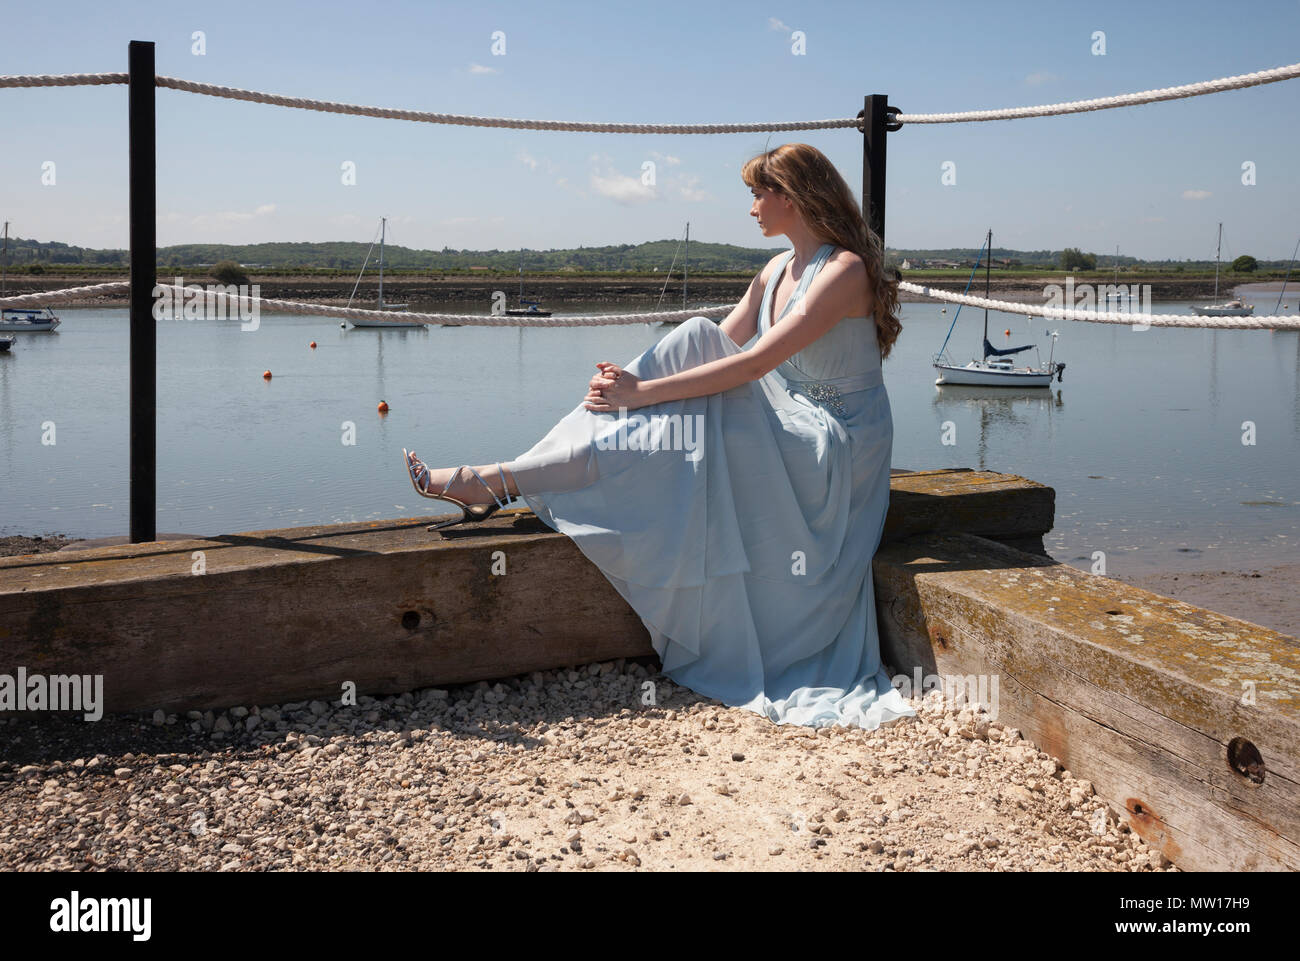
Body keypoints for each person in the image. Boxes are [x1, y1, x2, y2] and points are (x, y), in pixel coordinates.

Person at [404, 142, 915, 730]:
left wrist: (640, 394)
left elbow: (752, 365)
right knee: (691, 341)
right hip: (788, 418)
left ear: (791, 197)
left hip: (834, 443)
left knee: (679, 371)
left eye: (757, 194)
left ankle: (498, 479)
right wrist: (631, 384)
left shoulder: (844, 270)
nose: (750, 208)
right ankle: (503, 477)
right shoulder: (775, 271)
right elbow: (715, 345)